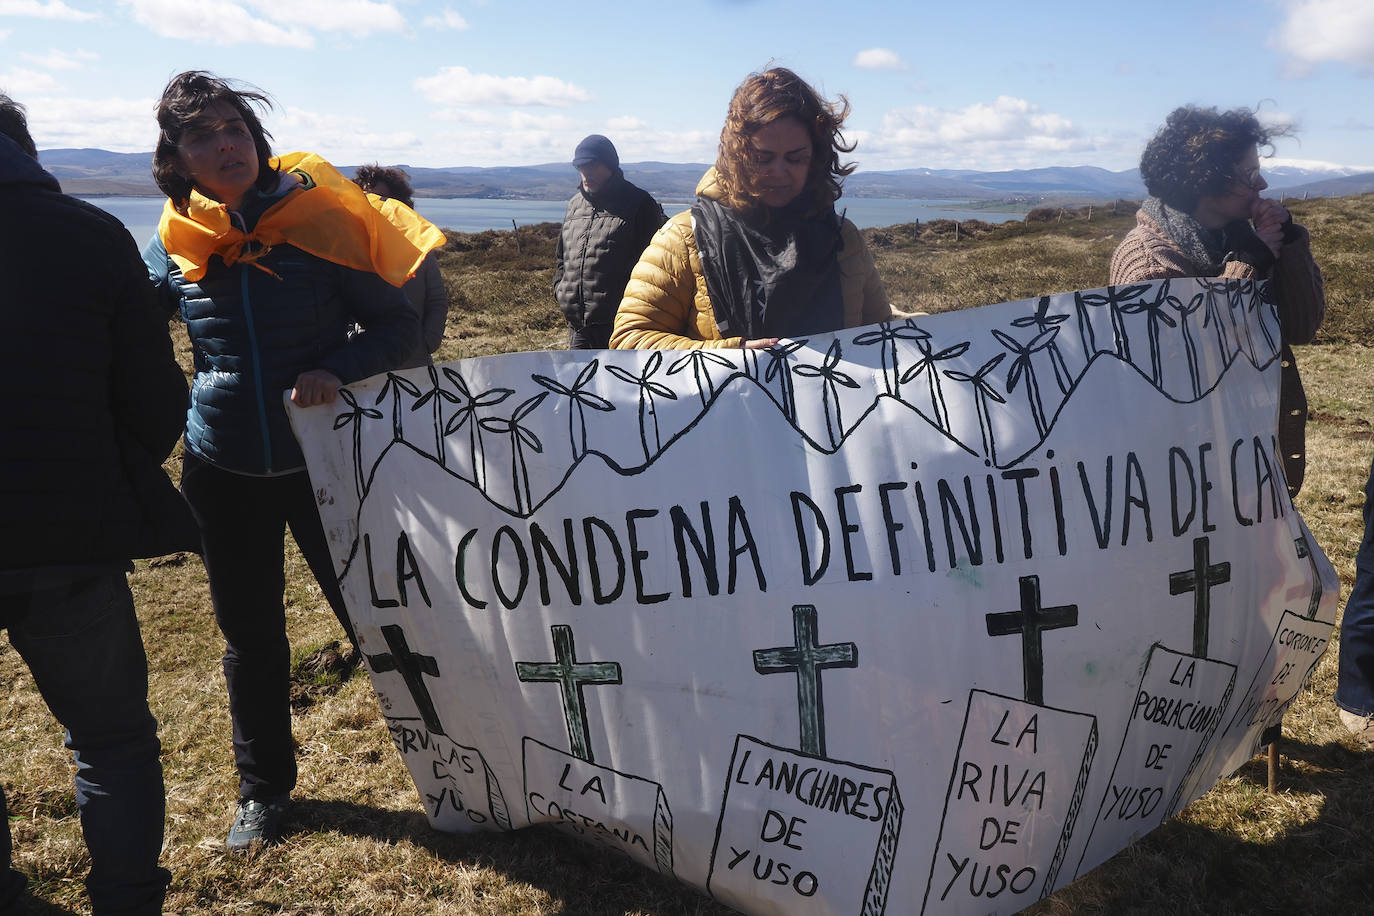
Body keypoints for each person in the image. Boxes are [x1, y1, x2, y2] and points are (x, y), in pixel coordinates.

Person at [142, 71, 436, 850]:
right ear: (176, 155)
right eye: (201, 135)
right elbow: (125, 330)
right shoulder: (174, 236)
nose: (224, 145)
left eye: (233, 127)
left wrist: (338, 368)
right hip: (221, 463)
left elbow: (398, 329)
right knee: (252, 638)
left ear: (256, 135)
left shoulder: (319, 218)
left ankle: (453, 765)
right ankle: (264, 791)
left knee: (377, 620)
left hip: (327, 460)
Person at [1, 92, 197, 915]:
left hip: (68, 527)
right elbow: (155, 398)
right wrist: (103, 472)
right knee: (111, 736)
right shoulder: (89, 234)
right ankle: (126, 900)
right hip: (70, 537)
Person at [1110, 105, 1324, 496]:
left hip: (1247, 449)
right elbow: (1183, 370)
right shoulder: (1148, 261)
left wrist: (1289, 245)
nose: (1262, 185)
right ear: (1205, 181)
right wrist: (1245, 269)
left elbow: (1302, 326)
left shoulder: (1239, 238)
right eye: (1249, 175)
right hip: (1184, 469)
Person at [610, 68, 892, 351]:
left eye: (795, 159)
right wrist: (731, 357)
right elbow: (630, 340)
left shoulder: (844, 239)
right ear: (737, 156)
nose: (779, 172)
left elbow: (883, 334)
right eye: (762, 158)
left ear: (816, 158)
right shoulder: (684, 239)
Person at [555, 134, 666, 349]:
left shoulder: (639, 203)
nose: (585, 173)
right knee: (580, 383)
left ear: (609, 165)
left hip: (622, 326)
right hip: (579, 327)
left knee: (623, 383)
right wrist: (560, 291)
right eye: (580, 167)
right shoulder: (574, 205)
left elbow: (654, 267)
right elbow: (562, 258)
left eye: (592, 166)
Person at [353, 163, 450, 365]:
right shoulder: (348, 250)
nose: (372, 203)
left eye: (381, 198)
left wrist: (427, 343)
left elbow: (437, 301)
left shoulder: (418, 249)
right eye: (365, 197)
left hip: (413, 362)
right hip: (361, 363)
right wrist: (351, 341)